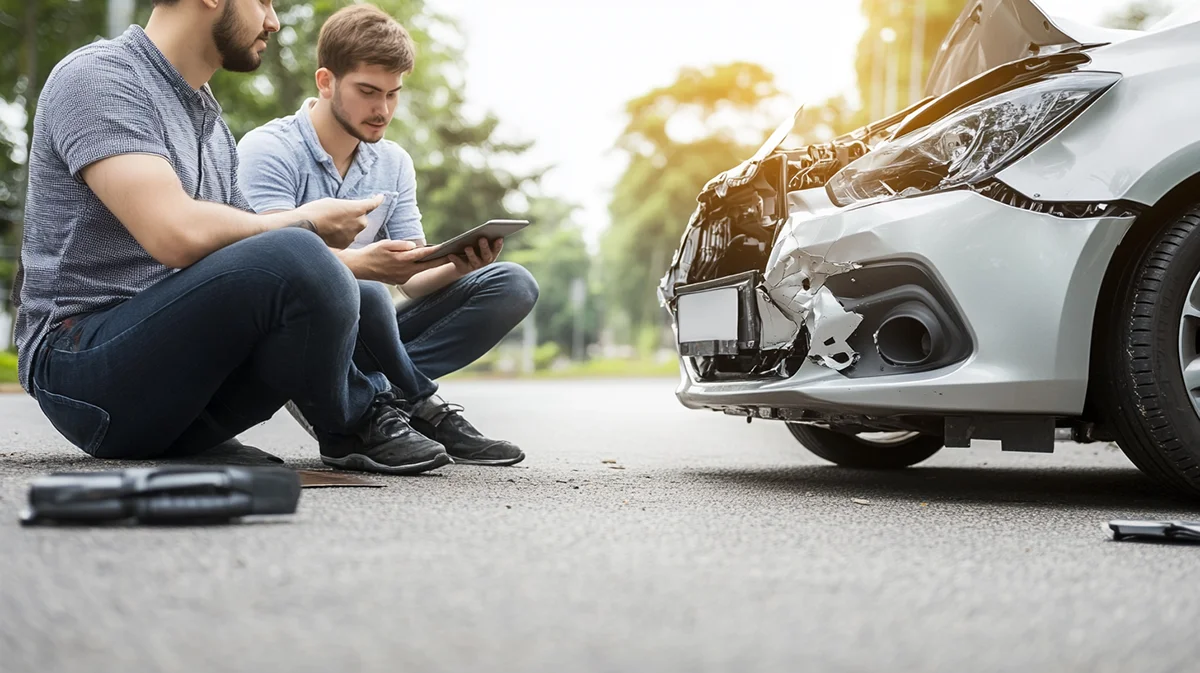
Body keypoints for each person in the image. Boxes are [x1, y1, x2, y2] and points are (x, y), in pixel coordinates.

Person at [13, 0, 518, 474]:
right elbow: (174, 235)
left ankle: (355, 404)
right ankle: (354, 421)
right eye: (263, 2)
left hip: (178, 384)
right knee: (298, 250)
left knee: (349, 286)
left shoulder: (208, 120)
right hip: (83, 370)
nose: (273, 22)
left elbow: (240, 261)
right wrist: (306, 223)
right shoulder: (100, 77)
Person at [235, 4, 539, 467]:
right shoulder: (269, 150)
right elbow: (268, 260)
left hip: (370, 333)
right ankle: (422, 405)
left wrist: (459, 261)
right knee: (367, 291)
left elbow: (411, 278)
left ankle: (378, 397)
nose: (382, 110)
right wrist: (363, 268)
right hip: (296, 333)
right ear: (326, 81)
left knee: (512, 283)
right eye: (368, 92)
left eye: (393, 94)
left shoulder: (392, 162)